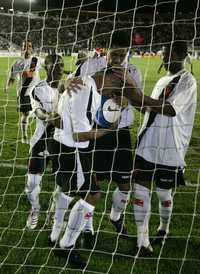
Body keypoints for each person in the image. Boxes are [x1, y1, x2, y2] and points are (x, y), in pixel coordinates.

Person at [115, 40, 197, 256]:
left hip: (171, 149)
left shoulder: (188, 81)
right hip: (147, 145)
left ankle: (163, 227)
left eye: (167, 54)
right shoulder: (162, 80)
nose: (163, 58)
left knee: (163, 193)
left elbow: (170, 109)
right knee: (140, 191)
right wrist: (130, 98)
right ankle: (143, 241)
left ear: (180, 54)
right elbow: (149, 109)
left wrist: (138, 95)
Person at [49, 67, 127, 267]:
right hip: (73, 148)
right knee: (92, 195)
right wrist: (110, 128)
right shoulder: (86, 89)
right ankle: (65, 246)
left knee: (69, 189)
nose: (113, 92)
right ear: (108, 77)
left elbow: (63, 117)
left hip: (62, 145)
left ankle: (54, 235)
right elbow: (81, 135)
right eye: (116, 86)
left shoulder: (83, 82)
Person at [68, 30, 142, 241]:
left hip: (120, 133)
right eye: (115, 55)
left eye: (122, 55)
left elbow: (139, 100)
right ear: (107, 50)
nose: (118, 59)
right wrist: (69, 84)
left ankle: (116, 217)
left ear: (128, 52)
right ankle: (88, 227)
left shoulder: (133, 71)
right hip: (95, 132)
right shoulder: (91, 65)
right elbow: (71, 86)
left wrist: (129, 100)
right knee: (93, 183)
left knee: (125, 184)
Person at [25, 54, 64, 230]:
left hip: (63, 142)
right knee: (32, 183)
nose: (59, 69)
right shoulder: (38, 89)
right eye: (55, 66)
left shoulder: (69, 88)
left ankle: (53, 213)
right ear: (47, 68)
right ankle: (35, 209)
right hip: (42, 140)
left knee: (62, 183)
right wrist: (50, 117)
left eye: (61, 66)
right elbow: (39, 112)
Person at [5, 40, 42, 143]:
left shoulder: (37, 60)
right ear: (21, 48)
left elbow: (48, 66)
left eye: (29, 46)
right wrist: (7, 86)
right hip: (23, 92)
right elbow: (12, 77)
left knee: (41, 113)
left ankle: (40, 136)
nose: (27, 49)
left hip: (37, 92)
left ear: (32, 48)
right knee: (25, 114)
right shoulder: (17, 63)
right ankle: (24, 136)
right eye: (24, 46)